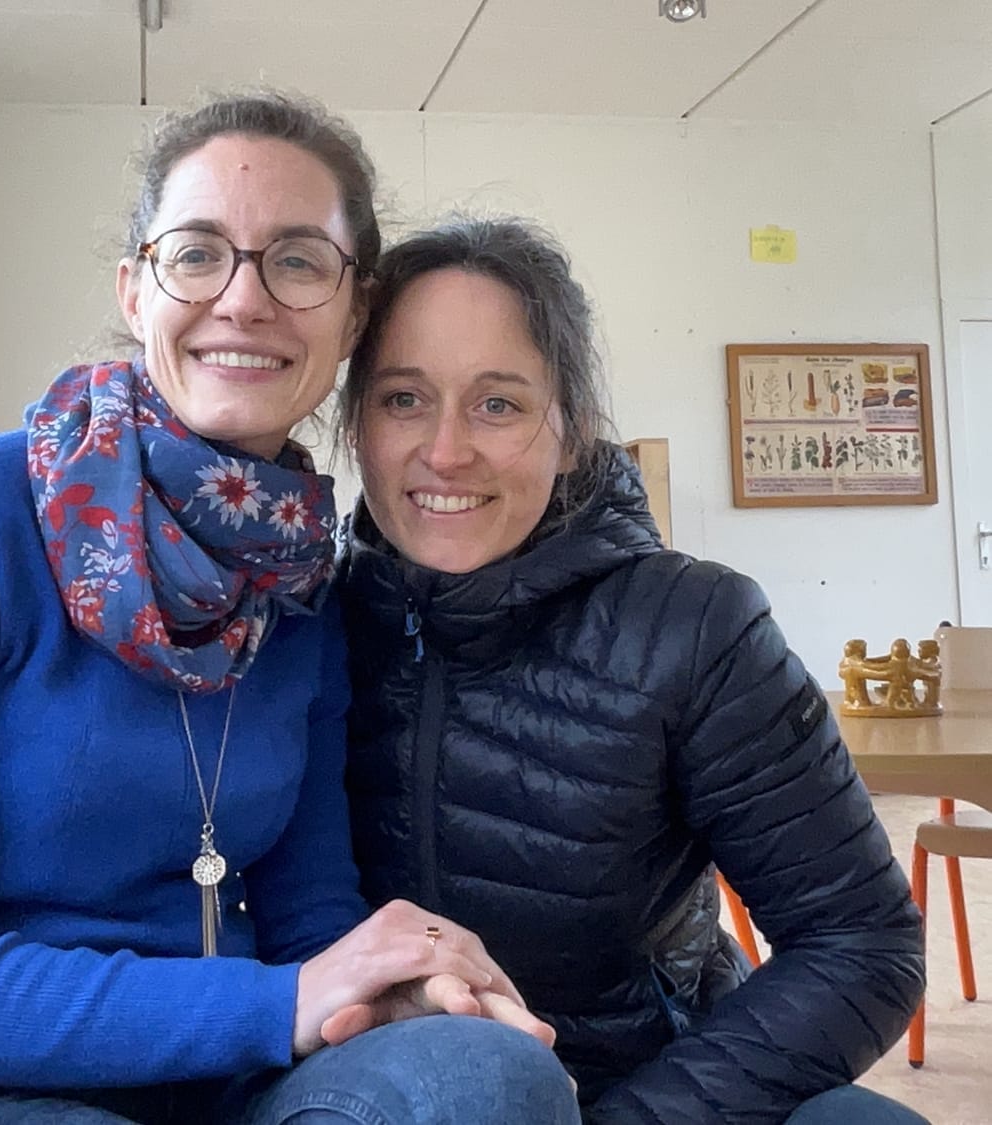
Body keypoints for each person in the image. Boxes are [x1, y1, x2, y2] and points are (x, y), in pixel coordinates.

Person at [0, 98, 580, 1125]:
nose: (244, 300)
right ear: (135, 289)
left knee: (487, 1080)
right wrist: (281, 1000)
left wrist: (396, 990)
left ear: (354, 313)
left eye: (297, 261)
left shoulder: (302, 580)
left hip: (230, 1073)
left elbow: (311, 920)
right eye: (197, 254)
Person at [337, 218, 928, 1124]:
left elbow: (861, 938)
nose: (446, 450)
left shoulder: (693, 628)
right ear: (357, 424)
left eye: (499, 404)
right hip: (393, 1091)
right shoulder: (305, 622)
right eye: (403, 398)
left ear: (572, 430)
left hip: (654, 1086)